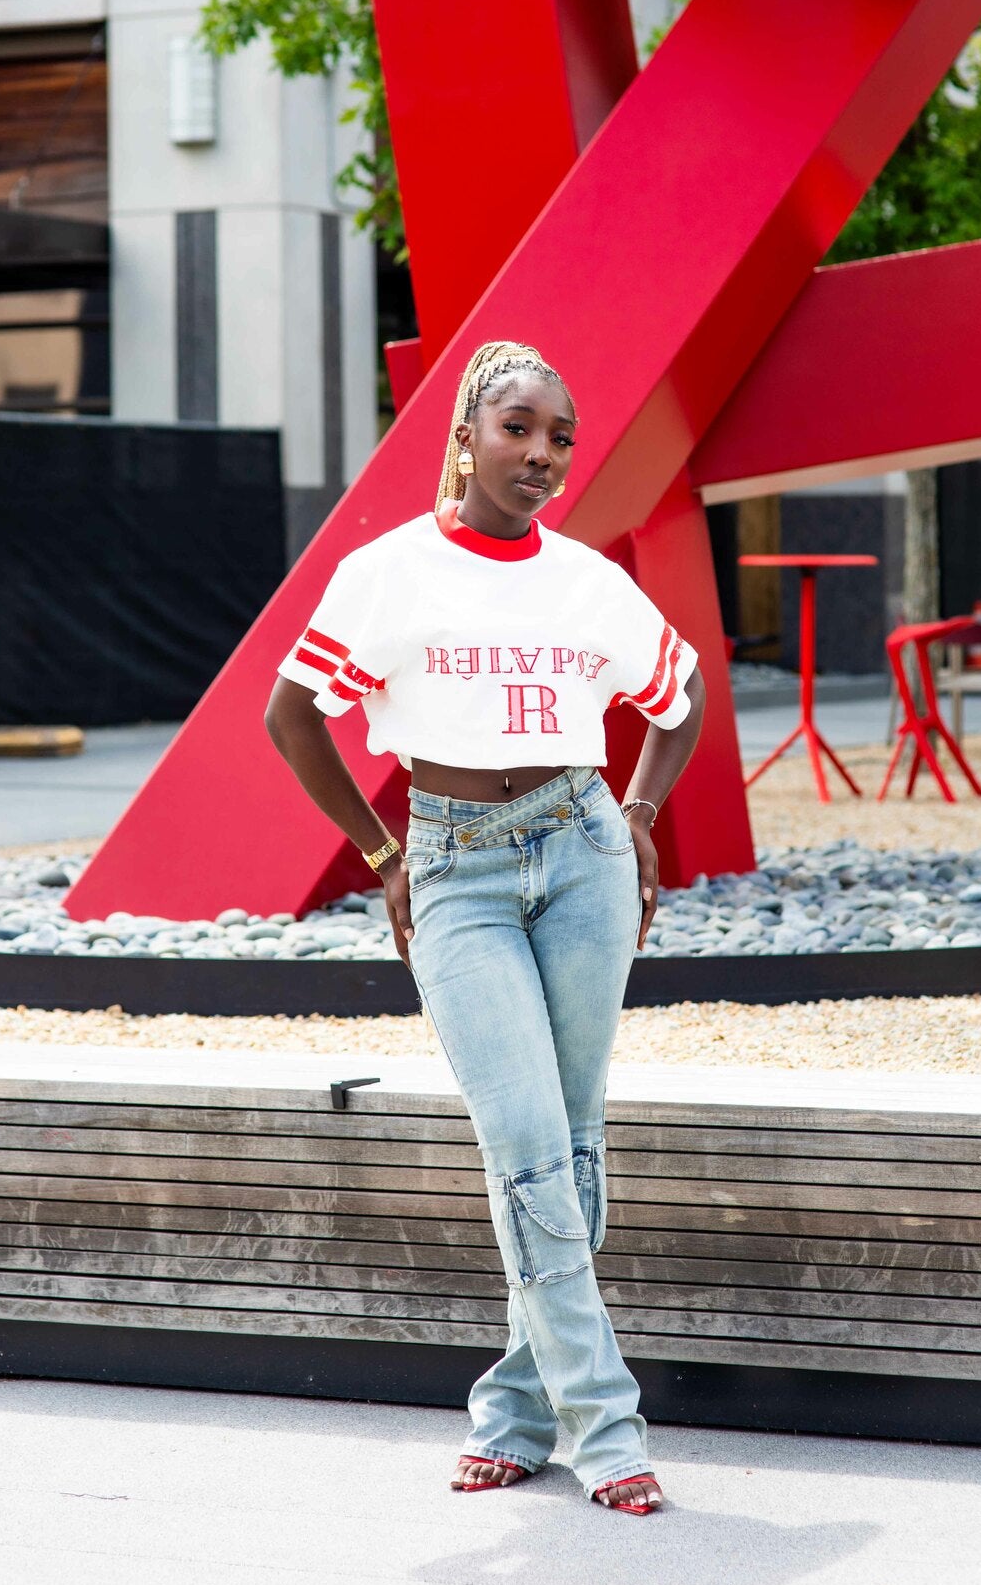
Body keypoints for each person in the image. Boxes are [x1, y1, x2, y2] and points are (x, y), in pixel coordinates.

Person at [265, 340, 705, 1515]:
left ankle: (516, 1409)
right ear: (464, 435)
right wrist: (381, 850)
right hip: (453, 862)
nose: (543, 456)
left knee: (571, 1144)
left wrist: (642, 816)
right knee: (521, 1143)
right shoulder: (388, 573)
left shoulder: (586, 581)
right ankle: (606, 1425)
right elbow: (292, 712)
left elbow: (681, 690)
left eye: (560, 437)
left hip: (582, 851)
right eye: (519, 428)